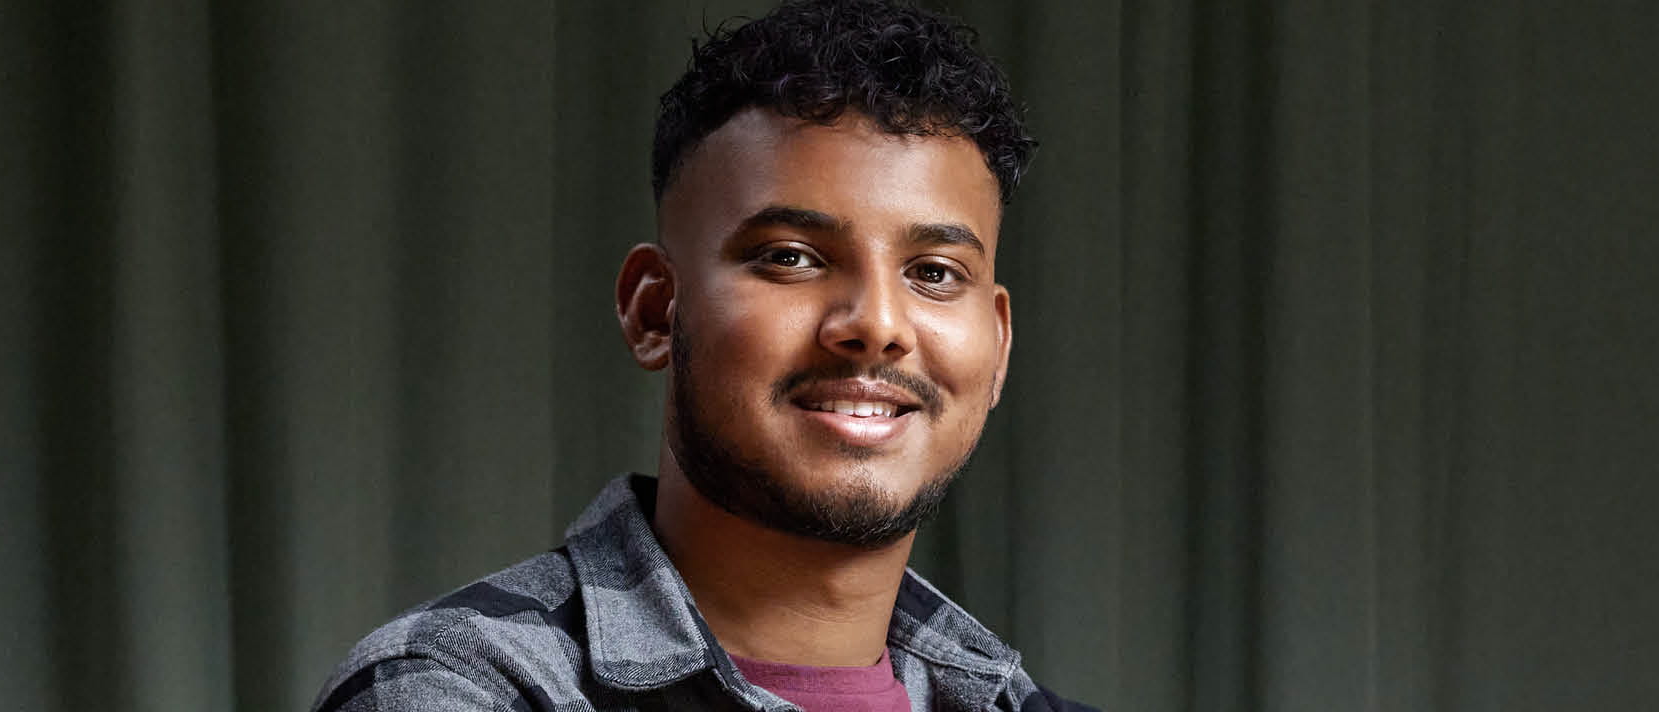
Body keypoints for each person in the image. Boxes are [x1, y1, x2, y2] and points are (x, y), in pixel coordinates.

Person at [311, 1, 1089, 709]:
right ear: (654, 310)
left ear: (998, 348)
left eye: (934, 273)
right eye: (791, 257)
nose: (878, 325)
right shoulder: (451, 687)